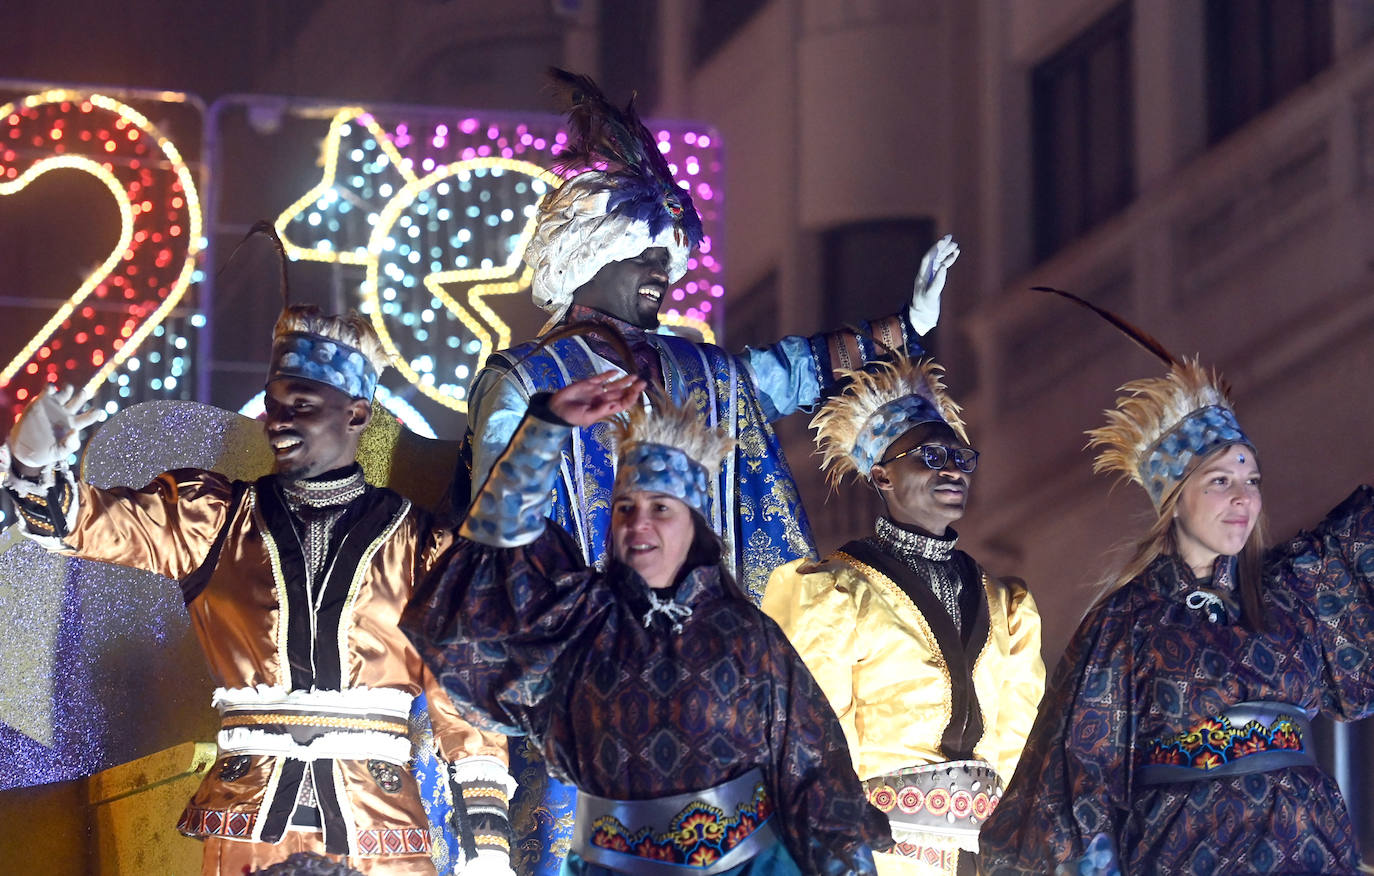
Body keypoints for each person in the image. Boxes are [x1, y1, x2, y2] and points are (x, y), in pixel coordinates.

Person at [3, 306, 514, 876]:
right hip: (249, 821)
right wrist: (31, 467)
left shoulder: (426, 546)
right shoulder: (215, 518)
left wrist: (487, 854)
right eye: (273, 405)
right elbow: (89, 525)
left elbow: (468, 712)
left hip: (380, 829)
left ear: (356, 413)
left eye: (302, 405)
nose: (277, 421)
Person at [464, 69, 961, 603]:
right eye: (646, 256)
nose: (663, 273)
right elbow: (494, 534)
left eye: (669, 260)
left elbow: (795, 371)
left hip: (709, 641)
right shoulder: (523, 380)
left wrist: (908, 326)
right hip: (590, 646)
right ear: (588, 259)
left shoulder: (701, 371)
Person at [405, 371, 892, 875]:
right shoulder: (581, 621)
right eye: (624, 508)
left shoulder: (749, 637)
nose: (639, 524)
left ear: (695, 523)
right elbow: (499, 548)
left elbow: (818, 779)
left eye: (661, 508)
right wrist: (545, 426)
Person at [977, 358, 1374, 875]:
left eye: (1251, 479)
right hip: (1186, 850)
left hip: (1309, 844)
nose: (1242, 497)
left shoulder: (1291, 590)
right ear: (1175, 498)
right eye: (1219, 480)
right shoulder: (1127, 622)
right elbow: (1077, 771)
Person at [761, 354, 1044, 875]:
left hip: (977, 857)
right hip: (872, 853)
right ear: (882, 475)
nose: (954, 468)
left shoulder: (1006, 606)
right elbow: (810, 739)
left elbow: (1019, 744)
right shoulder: (836, 593)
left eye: (962, 457)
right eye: (931, 455)